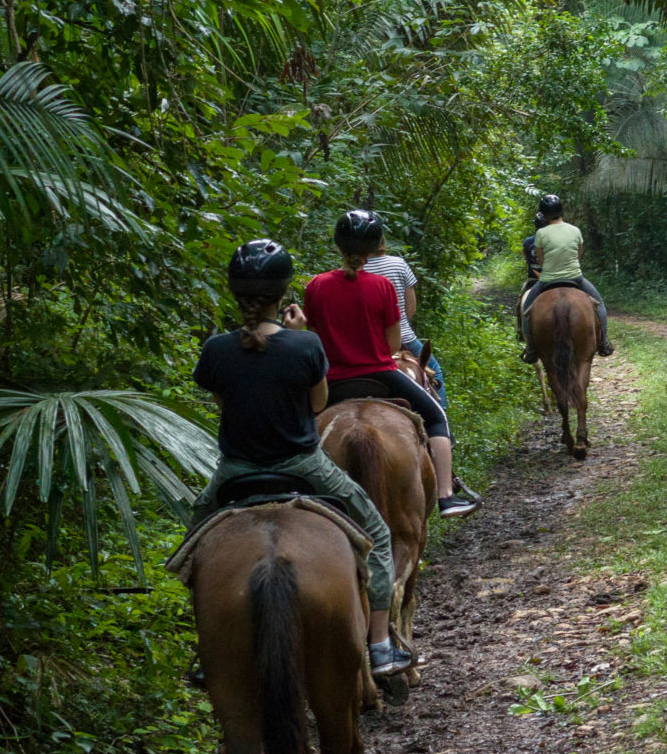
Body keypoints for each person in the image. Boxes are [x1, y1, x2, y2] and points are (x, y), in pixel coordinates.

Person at [189, 238, 412, 678]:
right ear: (283, 293)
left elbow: (223, 402)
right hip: (304, 466)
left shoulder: (216, 349)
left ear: (236, 293)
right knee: (379, 535)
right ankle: (382, 644)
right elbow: (316, 405)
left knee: (195, 539)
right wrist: (296, 335)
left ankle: (205, 645)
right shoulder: (306, 345)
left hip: (236, 470)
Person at [305, 210, 479, 518]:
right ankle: (446, 496)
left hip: (331, 381)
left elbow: (314, 341)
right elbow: (390, 345)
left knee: (297, 429)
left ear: (337, 245)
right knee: (437, 416)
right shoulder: (382, 286)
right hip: (380, 374)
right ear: (373, 248)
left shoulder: (316, 286)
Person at [519, 192, 613, 360]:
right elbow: (579, 254)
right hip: (575, 278)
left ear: (543, 213)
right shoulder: (575, 230)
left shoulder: (541, 234)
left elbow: (540, 260)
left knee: (526, 309)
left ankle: (531, 348)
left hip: (547, 280)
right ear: (561, 211)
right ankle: (604, 342)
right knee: (600, 306)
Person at [362, 232, 445, 400]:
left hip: (368, 344)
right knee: (435, 371)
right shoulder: (399, 264)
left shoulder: (354, 270)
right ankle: (441, 415)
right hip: (403, 338)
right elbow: (410, 308)